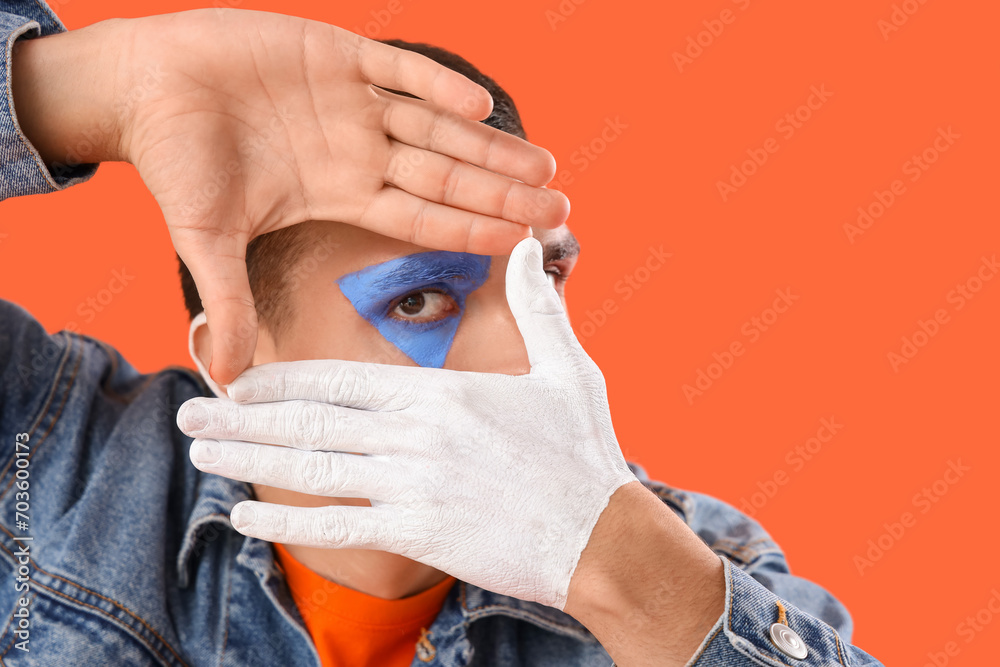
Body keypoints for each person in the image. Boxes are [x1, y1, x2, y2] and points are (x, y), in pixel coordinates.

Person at [0, 2, 885, 665]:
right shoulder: (51, 457)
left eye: (544, 279)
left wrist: (625, 571)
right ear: (234, 357)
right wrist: (94, 85)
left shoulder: (697, 566)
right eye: (418, 300)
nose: (527, 358)